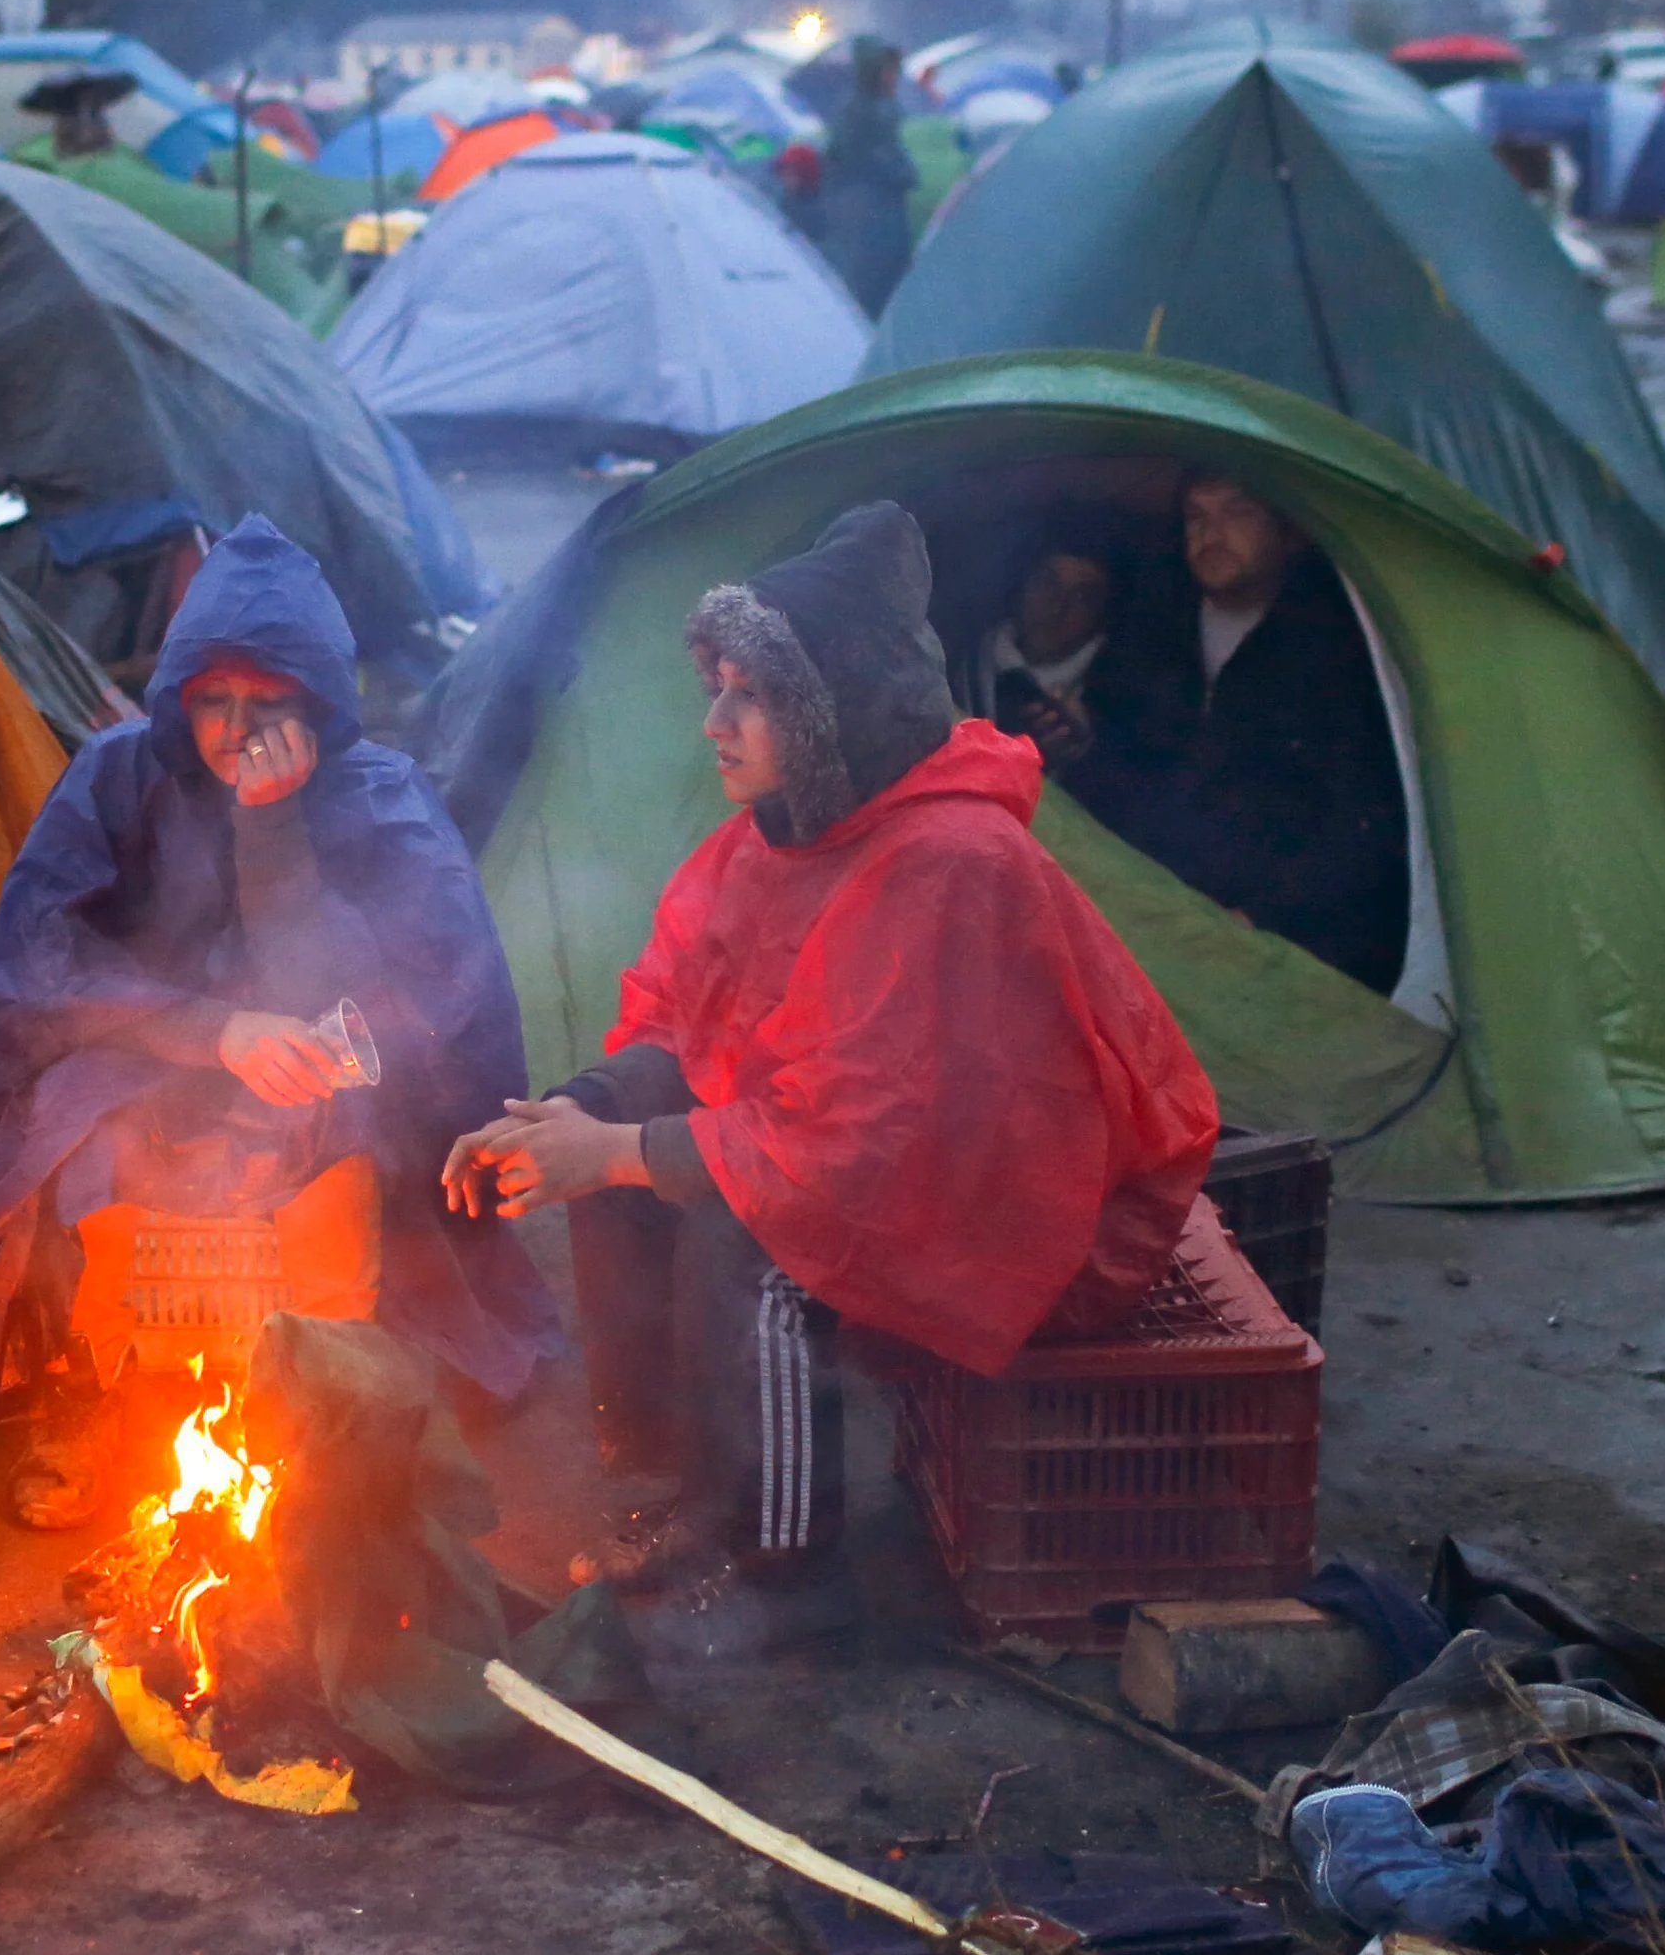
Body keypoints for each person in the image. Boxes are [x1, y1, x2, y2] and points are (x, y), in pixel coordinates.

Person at [443, 504, 1220, 1638]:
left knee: (753, 1241)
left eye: (746, 696)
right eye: (714, 687)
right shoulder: (790, 828)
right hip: (882, 1161)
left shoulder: (947, 861)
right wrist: (572, 1117)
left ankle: (786, 1566)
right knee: (631, 1151)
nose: (712, 722)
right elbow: (682, 1013)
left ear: (830, 710)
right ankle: (671, 1483)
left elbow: (862, 1148)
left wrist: (616, 1153)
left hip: (1036, 1213)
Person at [0, 519, 558, 1528]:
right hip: (147, 1061)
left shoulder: (382, 802)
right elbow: (35, 969)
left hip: (326, 1091)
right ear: (179, 700)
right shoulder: (121, 775)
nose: (236, 731)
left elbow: (427, 1018)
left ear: (317, 708)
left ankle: (326, 1396)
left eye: (266, 705)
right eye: (213, 702)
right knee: (68, 1127)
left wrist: (272, 833)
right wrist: (208, 1030)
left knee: (343, 1164)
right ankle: (92, 1396)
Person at [1080, 473, 1411, 992]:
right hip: (1153, 927)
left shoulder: (1338, 651)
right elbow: (1115, 765)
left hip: (1287, 946)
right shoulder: (1151, 635)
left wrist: (1265, 916)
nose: (1213, 535)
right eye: (1197, 517)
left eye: (1239, 513)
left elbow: (1362, 816)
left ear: (1289, 533)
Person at [976, 547, 1112, 772]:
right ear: (1024, 582)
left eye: (1082, 598)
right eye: (1048, 582)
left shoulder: (1108, 714)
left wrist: (1081, 754)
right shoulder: (955, 653)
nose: (1058, 606)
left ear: (1101, 619)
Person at [817, 37, 919, 317]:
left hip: (885, 217)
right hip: (866, 220)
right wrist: (898, 173)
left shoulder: (882, 108)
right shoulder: (858, 112)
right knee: (870, 292)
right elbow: (855, 161)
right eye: (887, 70)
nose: (893, 77)